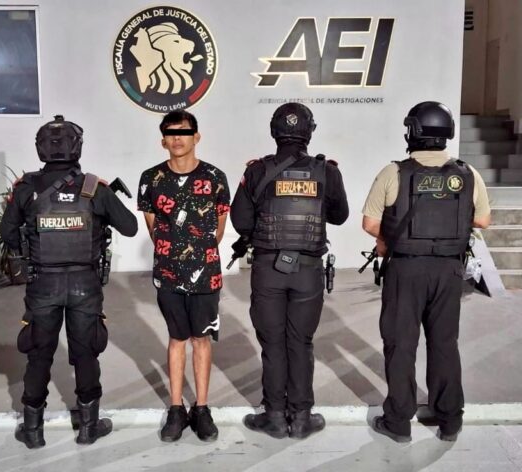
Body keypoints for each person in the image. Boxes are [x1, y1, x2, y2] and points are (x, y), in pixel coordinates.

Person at [0, 115, 138, 448]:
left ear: (41, 148)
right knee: (86, 353)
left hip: (42, 284)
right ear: (77, 147)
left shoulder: (26, 188)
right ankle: (89, 427)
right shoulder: (94, 188)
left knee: (39, 355)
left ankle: (33, 431)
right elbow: (130, 227)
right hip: (84, 285)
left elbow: (7, 234)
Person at [360, 101, 491, 443]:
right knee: (445, 343)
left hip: (406, 269)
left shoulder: (393, 172)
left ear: (412, 132)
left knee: (401, 344)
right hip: (449, 270)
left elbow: (370, 223)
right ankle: (449, 419)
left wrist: (390, 238)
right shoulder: (467, 173)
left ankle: (398, 421)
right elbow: (482, 220)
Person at [230, 102, 349, 439]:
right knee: (301, 343)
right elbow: (340, 216)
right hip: (308, 271)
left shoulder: (257, 171)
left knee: (273, 344)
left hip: (268, 269)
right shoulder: (327, 172)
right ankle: (301, 417)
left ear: (274, 131)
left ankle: (274, 417)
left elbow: (241, 222)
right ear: (310, 132)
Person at [138, 110, 230, 442]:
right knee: (177, 338)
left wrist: (195, 253)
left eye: (184, 132)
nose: (178, 138)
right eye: (171, 132)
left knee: (201, 339)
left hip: (206, 275)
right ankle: (176, 409)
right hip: (168, 274)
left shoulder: (215, 177)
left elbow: (218, 231)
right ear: (163, 139)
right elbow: (154, 229)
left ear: (197, 137)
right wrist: (174, 254)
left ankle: (201, 408)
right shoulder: (151, 178)